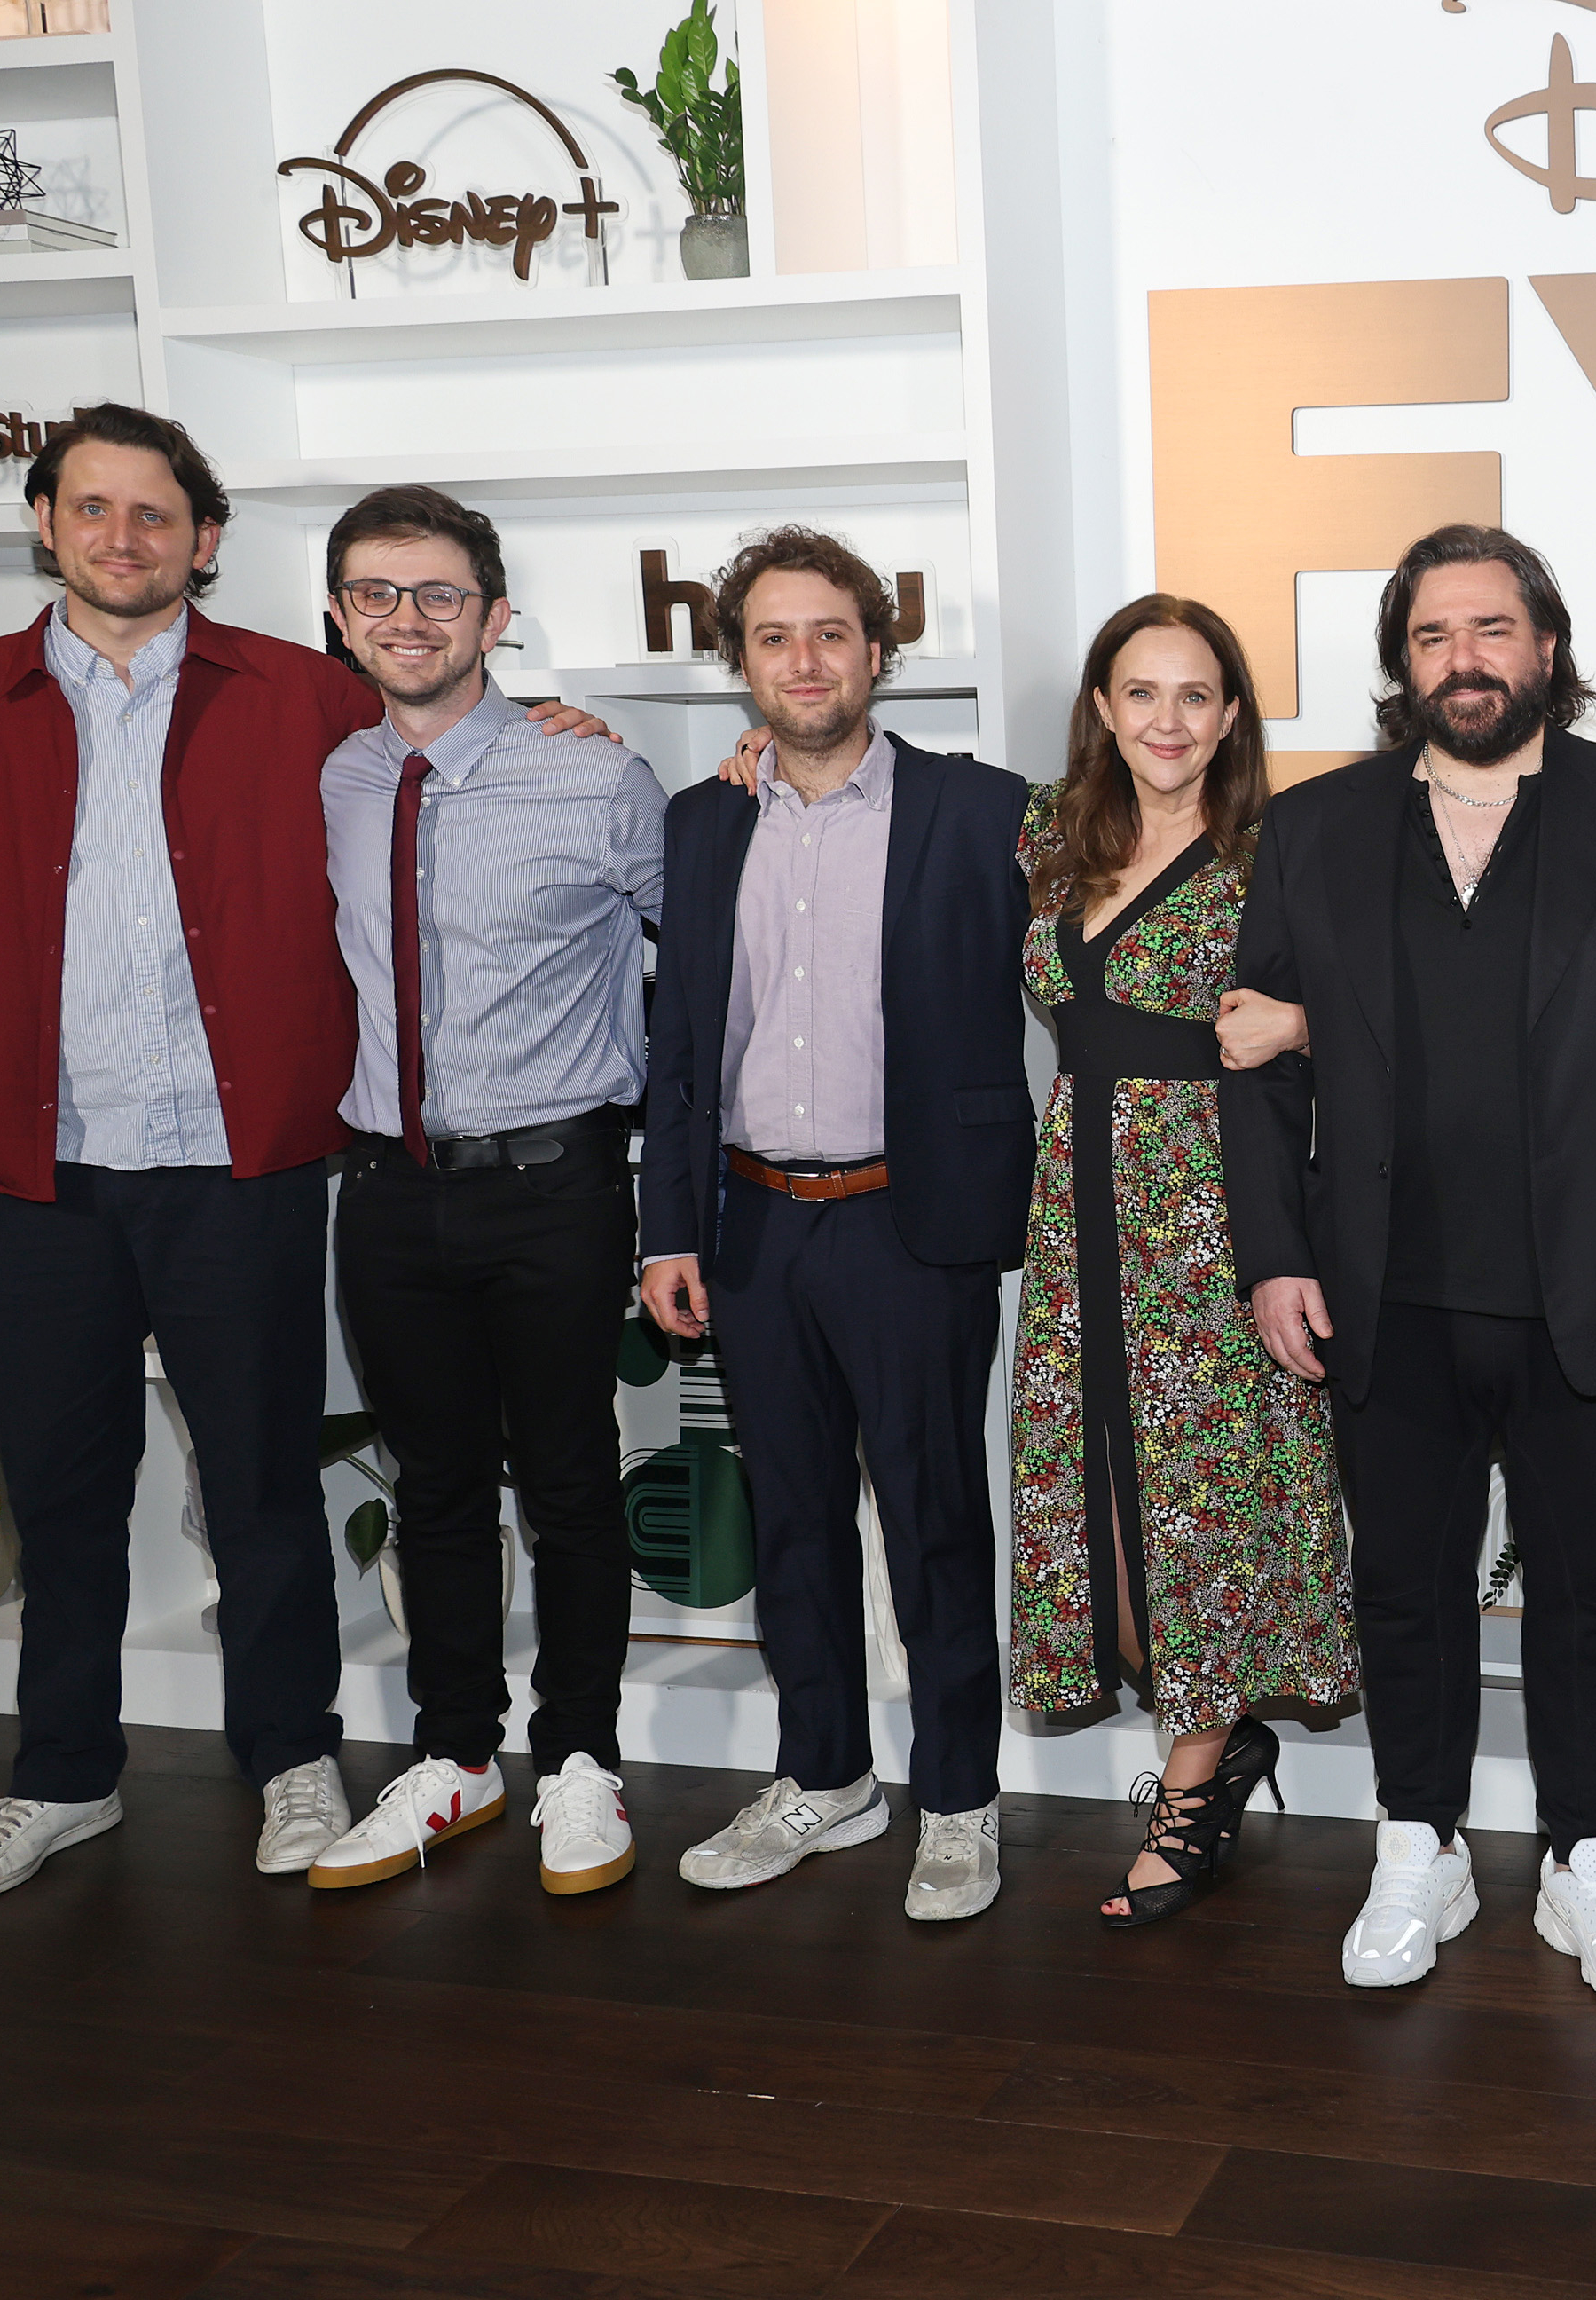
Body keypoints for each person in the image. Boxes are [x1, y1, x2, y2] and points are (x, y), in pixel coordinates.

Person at [0, 406, 607, 1903]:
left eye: (156, 515)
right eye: (93, 509)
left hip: (238, 1165)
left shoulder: (300, 693)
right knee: (67, 1491)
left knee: (264, 1481)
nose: (123, 538)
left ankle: (289, 1761)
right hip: (32, 1175)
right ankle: (62, 1777)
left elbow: (443, 762)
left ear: (207, 542)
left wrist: (559, 727)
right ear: (45, 524)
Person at [1224, 522, 1596, 1998]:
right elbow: (1259, 1061)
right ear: (1402, 667)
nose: (1463, 661)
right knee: (1401, 1588)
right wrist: (1273, 1255)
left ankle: (1585, 1854)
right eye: (1431, 638)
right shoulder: (1320, 826)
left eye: (1491, 630)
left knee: (1592, 1591)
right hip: (1381, 1289)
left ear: (1547, 648)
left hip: (1595, 1285)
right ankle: (1423, 1843)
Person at [638, 525, 1033, 1922]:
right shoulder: (703, 821)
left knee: (933, 1522)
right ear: (739, 663)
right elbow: (680, 1038)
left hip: (908, 1223)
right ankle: (826, 1777)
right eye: (772, 638)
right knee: (793, 1518)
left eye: (830, 635)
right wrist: (666, 1228)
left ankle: (960, 1801)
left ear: (878, 652)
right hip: (751, 1225)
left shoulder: (984, 813)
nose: (804, 661)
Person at [302, 485, 664, 1896]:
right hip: (386, 1193)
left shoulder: (596, 776)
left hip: (553, 1185)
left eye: (439, 595)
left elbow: (699, 956)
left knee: (569, 1483)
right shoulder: (331, 776)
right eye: (378, 595)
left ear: (494, 619)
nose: (408, 619)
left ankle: (581, 1763)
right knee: (436, 1489)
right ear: (340, 618)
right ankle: (454, 1756)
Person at [1002, 593, 1354, 1924]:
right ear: (1102, 706)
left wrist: (1306, 1025)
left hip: (1216, 1208)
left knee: (1201, 1506)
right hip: (1075, 1198)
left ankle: (1195, 1779)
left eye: (1196, 696)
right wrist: (753, 762)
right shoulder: (1045, 830)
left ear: (1232, 714)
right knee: (1102, 1508)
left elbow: (1396, 1009)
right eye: (1141, 693)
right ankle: (1220, 1742)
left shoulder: (1281, 848)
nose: (1168, 721)